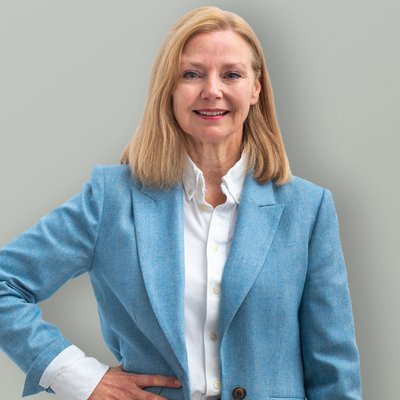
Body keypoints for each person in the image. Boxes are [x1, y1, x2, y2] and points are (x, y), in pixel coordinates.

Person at [0, 6, 361, 400]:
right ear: (168, 88)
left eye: (231, 75)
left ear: (256, 89)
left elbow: (333, 369)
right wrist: (82, 379)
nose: (212, 90)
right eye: (192, 74)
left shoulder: (308, 209)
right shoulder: (112, 199)